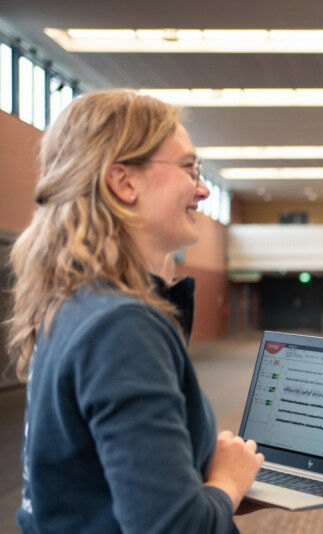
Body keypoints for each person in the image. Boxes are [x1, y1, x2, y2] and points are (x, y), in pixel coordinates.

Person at [9, 90, 263, 533]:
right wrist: (226, 482)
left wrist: (204, 484)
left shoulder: (78, 303)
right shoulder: (119, 326)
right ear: (124, 183)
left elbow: (98, 485)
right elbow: (170, 528)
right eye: (189, 168)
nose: (203, 189)